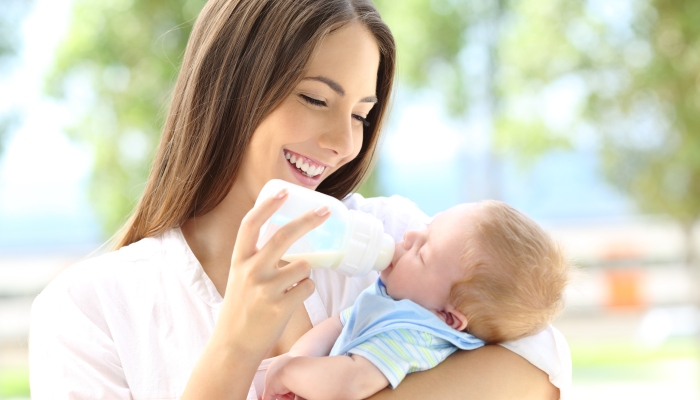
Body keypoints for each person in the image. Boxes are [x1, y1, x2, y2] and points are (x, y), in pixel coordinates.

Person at [29, 1, 571, 399]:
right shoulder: (89, 310)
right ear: (231, 84)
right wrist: (236, 345)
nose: (343, 142)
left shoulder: (402, 249)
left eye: (361, 114)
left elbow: (540, 367)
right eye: (316, 98)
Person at [263, 200, 571, 400]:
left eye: (422, 253)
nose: (408, 238)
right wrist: (293, 360)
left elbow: (352, 382)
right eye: (425, 230)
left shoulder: (414, 336)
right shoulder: (396, 301)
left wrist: (290, 373)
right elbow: (338, 324)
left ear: (447, 318)